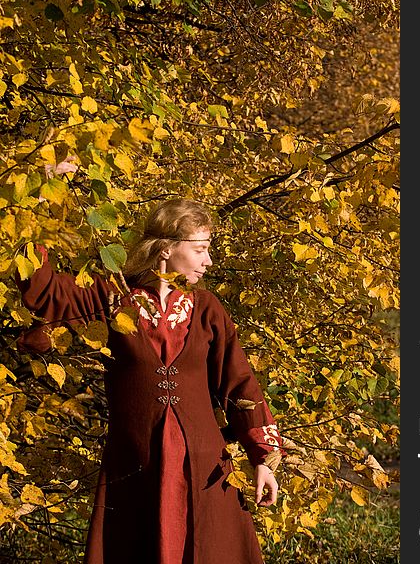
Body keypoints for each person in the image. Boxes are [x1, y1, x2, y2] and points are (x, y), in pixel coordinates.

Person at [16, 198, 286, 564]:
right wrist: (40, 200)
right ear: (165, 249)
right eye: (200, 250)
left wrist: (264, 460)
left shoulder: (207, 309)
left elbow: (240, 386)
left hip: (205, 468)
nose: (208, 261)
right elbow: (47, 295)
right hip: (135, 465)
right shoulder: (111, 298)